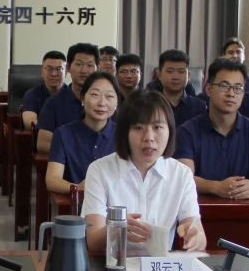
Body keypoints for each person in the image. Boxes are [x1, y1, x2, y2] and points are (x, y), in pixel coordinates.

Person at [81, 90, 207, 255]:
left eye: (157, 127)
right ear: (125, 132)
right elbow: (92, 241)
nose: (149, 137)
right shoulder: (99, 170)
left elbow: (198, 233)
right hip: (112, 266)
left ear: (170, 130)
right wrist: (117, 228)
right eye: (139, 128)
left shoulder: (181, 174)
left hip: (159, 268)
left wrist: (195, 236)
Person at [176, 58, 249, 199]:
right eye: (224, 86)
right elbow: (184, 179)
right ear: (208, 89)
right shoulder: (187, 132)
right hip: (198, 209)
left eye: (238, 88)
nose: (231, 93)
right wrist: (215, 187)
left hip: (244, 208)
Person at [46, 71, 119, 195]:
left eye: (109, 96)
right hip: (76, 203)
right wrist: (78, 188)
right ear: (83, 98)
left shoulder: (125, 135)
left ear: (116, 103)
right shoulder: (63, 134)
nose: (102, 103)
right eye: (95, 95)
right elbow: (52, 180)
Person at [36, 42, 98, 153]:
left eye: (89, 65)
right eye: (79, 64)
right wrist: (78, 153)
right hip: (67, 162)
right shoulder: (53, 103)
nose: (84, 70)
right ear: (68, 68)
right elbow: (43, 144)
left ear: (97, 69)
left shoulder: (105, 103)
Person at [155, 49, 205, 127]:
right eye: (170, 71)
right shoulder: (149, 105)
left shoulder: (199, 107)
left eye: (181, 72)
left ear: (188, 75)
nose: (176, 77)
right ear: (159, 74)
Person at [21, 51, 66, 130]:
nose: (54, 74)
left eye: (59, 69)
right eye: (49, 69)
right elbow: (29, 123)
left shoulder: (73, 94)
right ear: (42, 72)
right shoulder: (32, 95)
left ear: (66, 72)